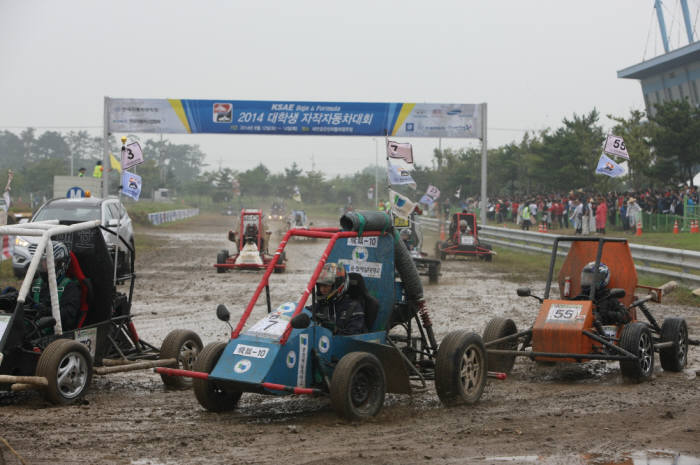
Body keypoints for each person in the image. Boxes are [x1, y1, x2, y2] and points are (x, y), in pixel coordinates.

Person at [29, 242, 81, 331]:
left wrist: (47, 311)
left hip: (56, 334)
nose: (44, 265)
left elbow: (69, 316)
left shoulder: (70, 287)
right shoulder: (36, 284)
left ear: (61, 264)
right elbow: (28, 305)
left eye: (48, 262)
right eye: (43, 261)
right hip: (33, 329)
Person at [313, 262, 366, 335]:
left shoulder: (353, 308)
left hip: (344, 345)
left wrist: (334, 330)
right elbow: (305, 313)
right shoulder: (320, 306)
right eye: (320, 286)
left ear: (338, 285)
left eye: (326, 285)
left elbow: (354, 336)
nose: (322, 289)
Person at [579, 261, 630, 326]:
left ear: (603, 280)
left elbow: (626, 317)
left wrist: (607, 314)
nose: (588, 282)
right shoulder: (581, 297)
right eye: (586, 278)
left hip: (603, 332)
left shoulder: (609, 297)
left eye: (591, 279)